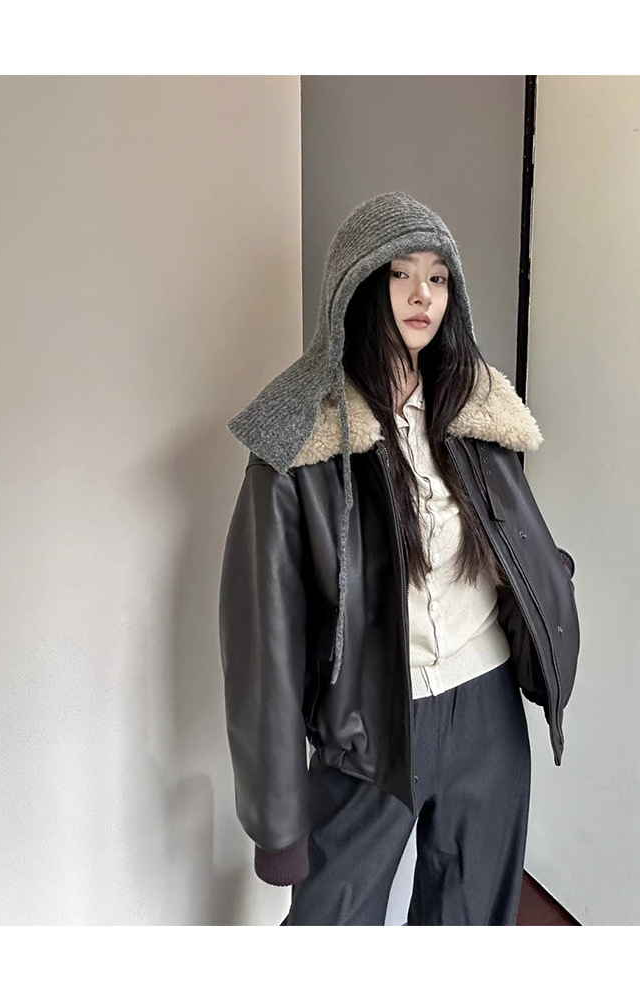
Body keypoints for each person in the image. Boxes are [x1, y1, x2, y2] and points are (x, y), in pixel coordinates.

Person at [218, 191, 580, 925]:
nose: (423, 296)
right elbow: (264, 643)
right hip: (372, 724)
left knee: (470, 919)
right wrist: (277, 820)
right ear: (355, 284)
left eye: (438, 277)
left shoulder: (476, 408)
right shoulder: (299, 435)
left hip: (487, 708)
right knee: (333, 922)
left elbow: (521, 542)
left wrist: (553, 586)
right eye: (401, 273)